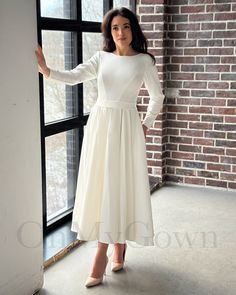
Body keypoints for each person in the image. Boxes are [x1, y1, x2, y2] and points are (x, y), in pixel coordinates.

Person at [35, 7, 165, 288]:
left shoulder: (144, 61)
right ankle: (110, 247)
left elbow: (157, 97)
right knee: (104, 184)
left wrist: (146, 124)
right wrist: (47, 71)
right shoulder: (101, 58)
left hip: (128, 126)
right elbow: (74, 76)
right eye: (115, 27)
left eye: (126, 26)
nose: (121, 32)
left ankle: (109, 248)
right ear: (109, 32)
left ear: (134, 30)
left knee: (122, 184)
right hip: (101, 126)